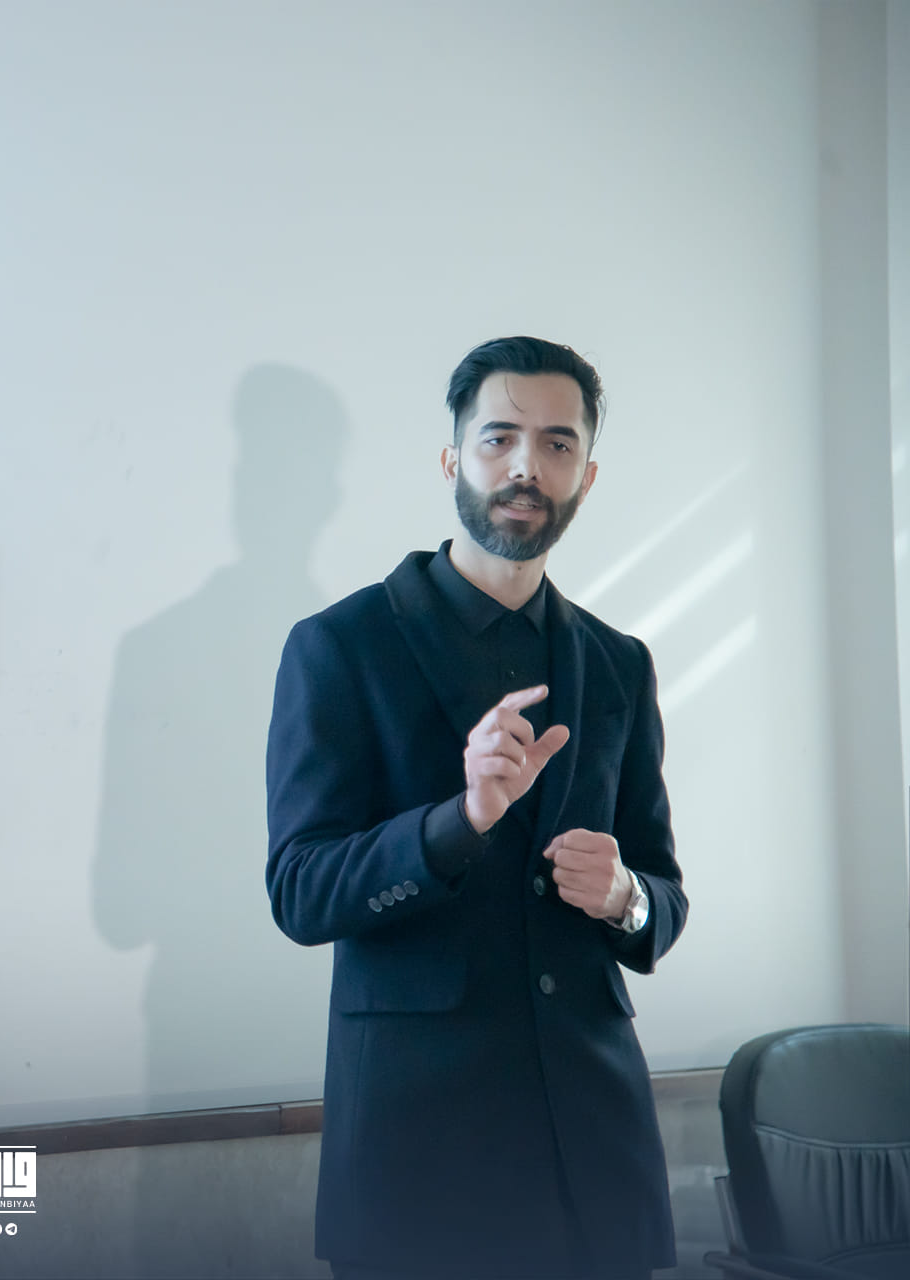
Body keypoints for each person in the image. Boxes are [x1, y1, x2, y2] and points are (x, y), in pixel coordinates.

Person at [263, 336, 688, 1279]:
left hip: (594, 1150)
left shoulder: (619, 664)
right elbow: (299, 891)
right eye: (499, 438)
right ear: (452, 458)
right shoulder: (340, 647)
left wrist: (625, 895)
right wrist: (459, 821)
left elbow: (662, 892)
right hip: (422, 1154)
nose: (526, 466)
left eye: (557, 444)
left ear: (585, 476)